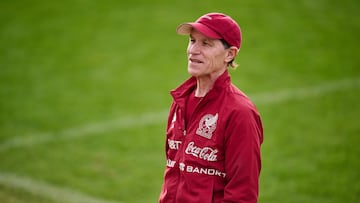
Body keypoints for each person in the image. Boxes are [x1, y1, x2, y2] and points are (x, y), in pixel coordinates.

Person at [159, 12, 264, 203]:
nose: (193, 50)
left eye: (206, 43)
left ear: (229, 54)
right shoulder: (180, 101)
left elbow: (243, 195)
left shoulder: (240, 113)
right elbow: (172, 174)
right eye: (192, 41)